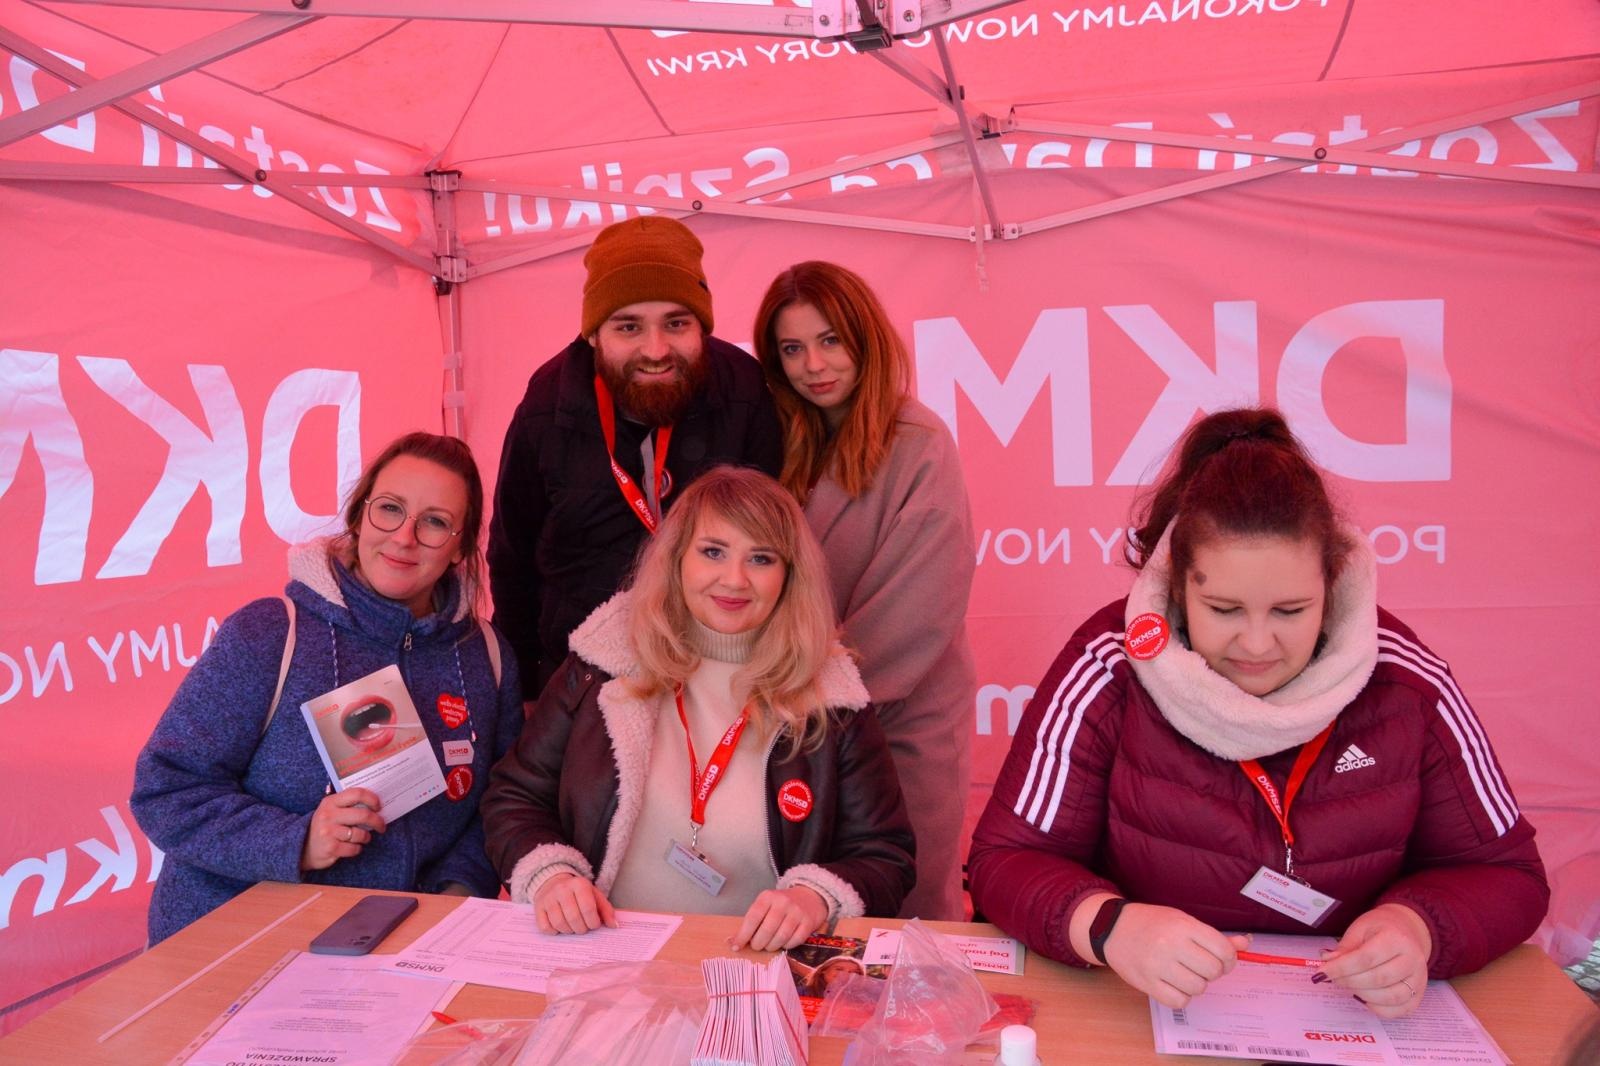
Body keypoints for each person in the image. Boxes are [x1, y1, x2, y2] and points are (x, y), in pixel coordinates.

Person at [966, 408, 1548, 1018]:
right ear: (1177, 588)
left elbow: (1508, 875)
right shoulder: (1111, 663)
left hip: (1347, 1021)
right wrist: (1111, 927)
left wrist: (1418, 929)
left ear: (1333, 583)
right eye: (1223, 608)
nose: (1257, 645)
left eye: (1291, 611)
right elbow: (1004, 860)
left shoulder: (1403, 681)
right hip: (1145, 1017)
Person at [481, 466, 915, 950]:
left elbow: (884, 855)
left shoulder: (832, 698)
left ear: (790, 576)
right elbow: (514, 797)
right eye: (713, 552)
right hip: (601, 951)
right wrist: (551, 874)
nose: (734, 579)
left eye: (761, 558)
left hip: (752, 966)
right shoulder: (601, 663)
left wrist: (816, 898)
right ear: (677, 560)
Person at [131, 432, 523, 944]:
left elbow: (499, 801)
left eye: (435, 522)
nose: (405, 537)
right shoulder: (272, 633)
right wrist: (296, 840)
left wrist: (454, 892)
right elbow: (167, 790)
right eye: (390, 509)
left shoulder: (487, 657)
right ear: (359, 517)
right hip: (236, 948)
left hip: (393, 951)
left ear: (460, 548)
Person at [752, 261, 976, 921]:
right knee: (817, 897)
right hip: (800, 718)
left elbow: (918, 611)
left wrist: (805, 694)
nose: (812, 365)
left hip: (898, 714)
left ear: (866, 340)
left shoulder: (920, 441)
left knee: (910, 898)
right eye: (792, 348)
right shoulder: (785, 440)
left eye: (830, 341)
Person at [488, 216, 783, 701]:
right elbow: (511, 555)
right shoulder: (548, 403)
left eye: (677, 323)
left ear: (702, 326)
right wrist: (524, 691)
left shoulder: (743, 390)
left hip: (717, 676)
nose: (656, 350)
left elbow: (774, 542)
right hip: (581, 680)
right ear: (593, 334)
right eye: (629, 326)